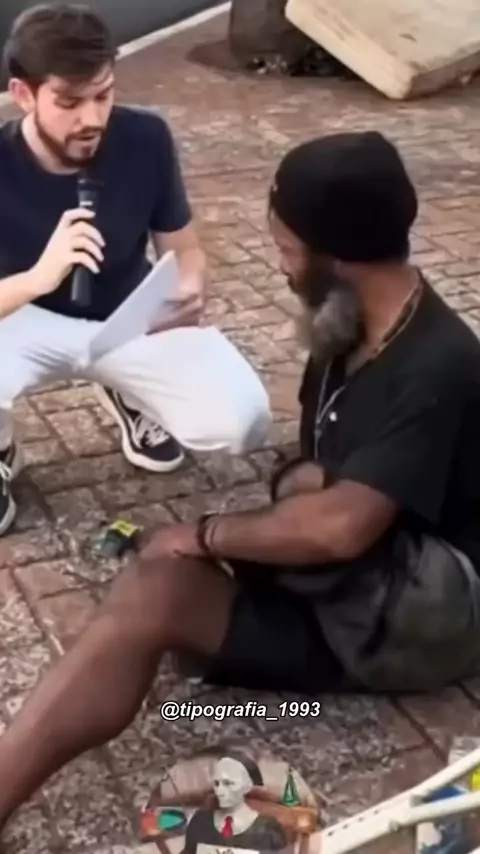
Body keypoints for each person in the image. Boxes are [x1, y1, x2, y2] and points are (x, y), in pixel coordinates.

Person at [3, 130, 480, 837]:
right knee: (163, 594)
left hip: (414, 618)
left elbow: (339, 528)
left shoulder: (439, 363)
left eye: (288, 250)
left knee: (162, 590)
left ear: (337, 256)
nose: (280, 266)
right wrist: (291, 494)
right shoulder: (347, 322)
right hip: (362, 577)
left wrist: (205, 534)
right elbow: (328, 480)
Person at [0, 3, 271, 535]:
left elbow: (184, 247)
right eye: (69, 102)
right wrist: (39, 278)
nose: (92, 119)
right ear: (24, 95)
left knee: (242, 423)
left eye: (103, 95)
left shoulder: (145, 137)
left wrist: (191, 284)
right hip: (22, 317)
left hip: (128, 316)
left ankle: (131, 391)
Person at [182, 755, 288, 853]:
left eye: (228, 783)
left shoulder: (267, 828)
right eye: (216, 783)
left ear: (247, 786)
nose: (219, 792)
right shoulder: (200, 821)